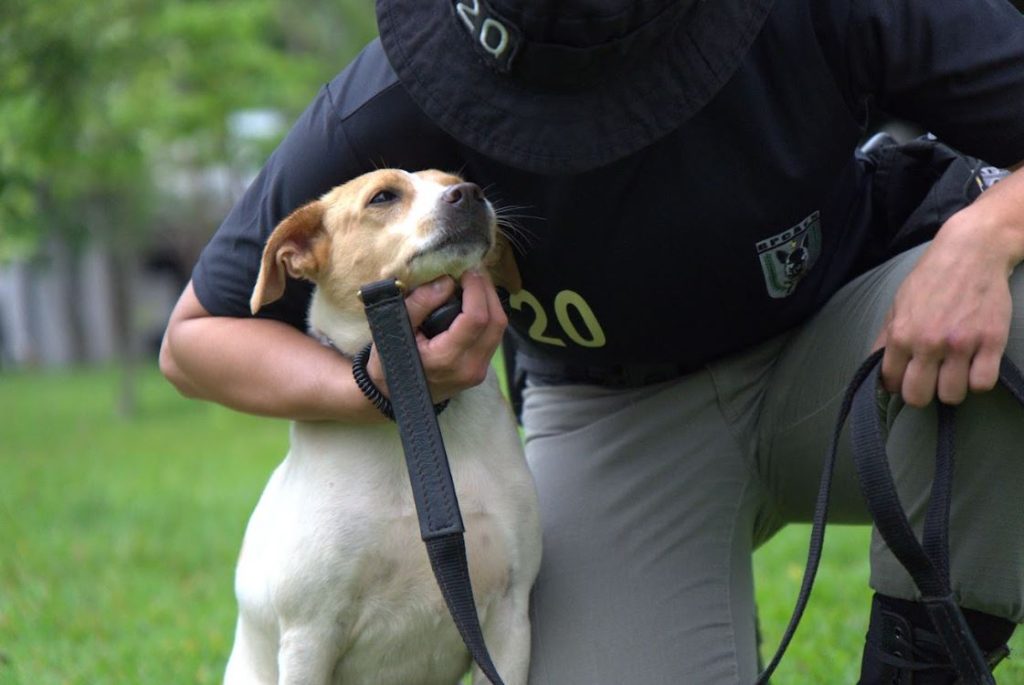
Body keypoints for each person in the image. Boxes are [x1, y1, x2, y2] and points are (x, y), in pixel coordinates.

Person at [160, 0, 1024, 682]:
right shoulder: (400, 90)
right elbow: (194, 337)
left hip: (846, 355)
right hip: (618, 412)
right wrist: (377, 387)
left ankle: (932, 661)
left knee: (1017, 300)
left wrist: (984, 237)